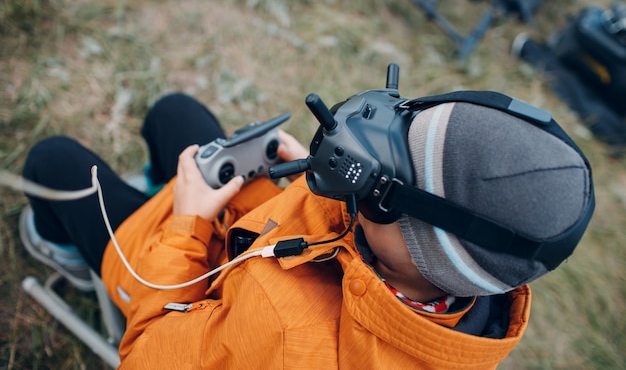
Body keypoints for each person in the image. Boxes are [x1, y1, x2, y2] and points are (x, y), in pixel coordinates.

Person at [19, 90, 594, 369]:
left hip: (176, 288)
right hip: (251, 252)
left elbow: (148, 356)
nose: (362, 169)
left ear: (417, 240)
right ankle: (161, 191)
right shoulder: (459, 281)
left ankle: (63, 247)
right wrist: (304, 186)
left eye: (376, 178)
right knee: (176, 114)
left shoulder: (284, 334)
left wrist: (187, 223)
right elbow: (362, 245)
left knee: (55, 161)